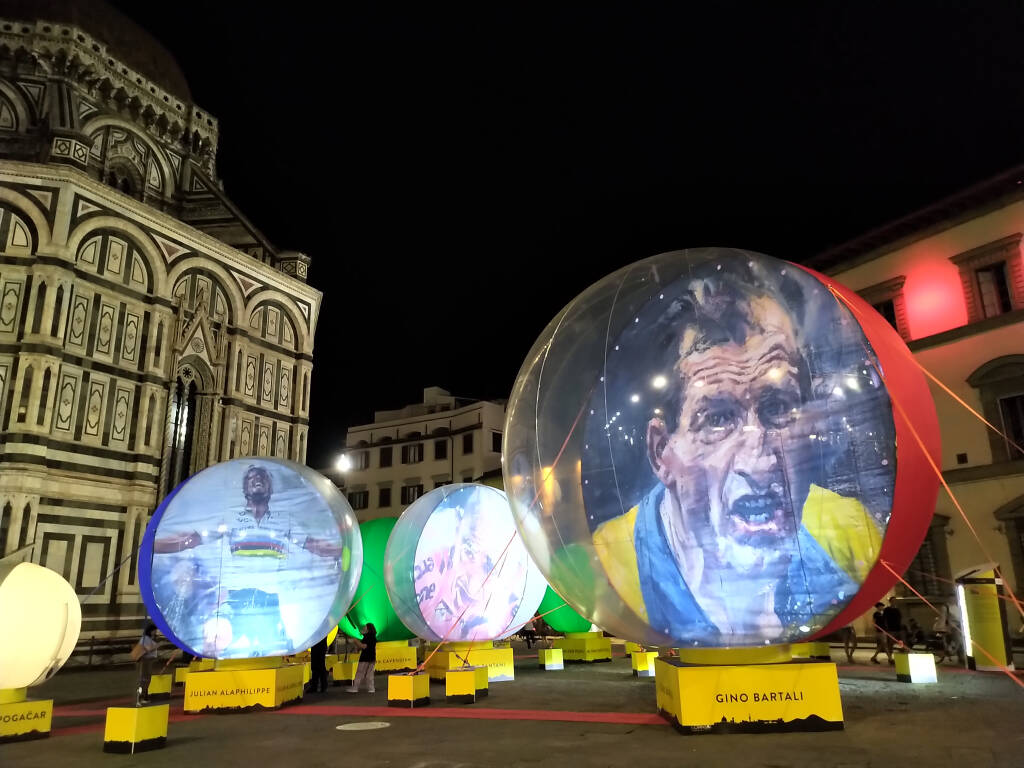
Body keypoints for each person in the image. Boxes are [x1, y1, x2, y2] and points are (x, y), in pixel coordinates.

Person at [592, 263, 888, 644]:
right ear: (662, 452)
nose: (758, 461)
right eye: (717, 419)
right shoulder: (608, 565)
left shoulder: (849, 536)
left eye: (778, 408)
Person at [152, 464, 346, 657]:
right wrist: (155, 546)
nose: (258, 479)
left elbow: (312, 544)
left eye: (263, 476)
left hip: (268, 600)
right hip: (235, 599)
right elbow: (192, 538)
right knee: (215, 640)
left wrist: (344, 551)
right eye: (251, 477)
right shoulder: (230, 517)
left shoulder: (283, 521)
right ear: (244, 488)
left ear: (271, 488)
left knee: (277, 652)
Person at [346, 623, 377, 694]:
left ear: (368, 629)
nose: (363, 628)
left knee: (359, 673)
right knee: (370, 674)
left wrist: (355, 640)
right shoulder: (373, 637)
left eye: (365, 627)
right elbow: (363, 647)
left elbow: (363, 646)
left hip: (365, 657)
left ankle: (355, 688)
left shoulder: (367, 637)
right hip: (372, 657)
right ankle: (371, 688)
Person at [136, 623, 160, 704]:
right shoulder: (145, 638)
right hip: (145, 660)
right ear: (150, 631)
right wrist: (155, 646)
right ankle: (141, 696)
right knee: (144, 679)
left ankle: (144, 695)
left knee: (147, 679)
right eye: (154, 630)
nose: (155, 632)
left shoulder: (151, 638)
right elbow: (145, 649)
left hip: (150, 660)